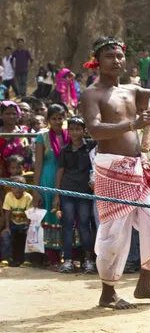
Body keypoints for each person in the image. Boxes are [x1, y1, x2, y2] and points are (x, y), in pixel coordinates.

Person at [81, 37, 150, 309]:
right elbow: (95, 130)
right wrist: (133, 124)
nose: (116, 60)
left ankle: (144, 285)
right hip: (111, 168)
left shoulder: (133, 90)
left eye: (120, 56)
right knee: (114, 233)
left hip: (138, 168)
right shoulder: (92, 93)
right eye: (110, 56)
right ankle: (107, 292)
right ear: (97, 60)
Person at [53, 116, 97, 274]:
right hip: (67, 191)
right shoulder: (65, 150)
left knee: (85, 225)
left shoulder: (91, 146)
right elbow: (60, 172)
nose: (74, 132)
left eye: (78, 129)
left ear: (84, 130)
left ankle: (88, 260)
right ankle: (68, 260)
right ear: (68, 130)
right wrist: (57, 194)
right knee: (68, 224)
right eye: (71, 129)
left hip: (85, 193)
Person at [32, 103, 69, 266]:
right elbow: (38, 164)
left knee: (67, 216)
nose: (57, 121)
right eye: (53, 118)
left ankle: (69, 256)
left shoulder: (71, 134)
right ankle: (53, 259)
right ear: (48, 120)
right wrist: (36, 190)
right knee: (50, 215)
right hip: (47, 179)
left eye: (60, 118)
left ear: (64, 118)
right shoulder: (42, 137)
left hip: (68, 179)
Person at [2, 176, 32, 267]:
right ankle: (6, 258)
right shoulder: (8, 196)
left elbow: (29, 215)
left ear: (25, 187)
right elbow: (7, 212)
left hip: (25, 224)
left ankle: (28, 260)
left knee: (30, 236)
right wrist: (7, 227)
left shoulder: (28, 197)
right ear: (11, 188)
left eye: (21, 186)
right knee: (5, 236)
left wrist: (29, 228)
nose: (18, 189)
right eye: (15, 187)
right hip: (13, 223)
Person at [0, 101, 33, 175]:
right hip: (2, 175)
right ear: (1, 115)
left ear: (18, 115)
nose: (11, 116)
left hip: (22, 174)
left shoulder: (25, 131)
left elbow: (29, 152)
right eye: (7, 114)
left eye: (14, 114)